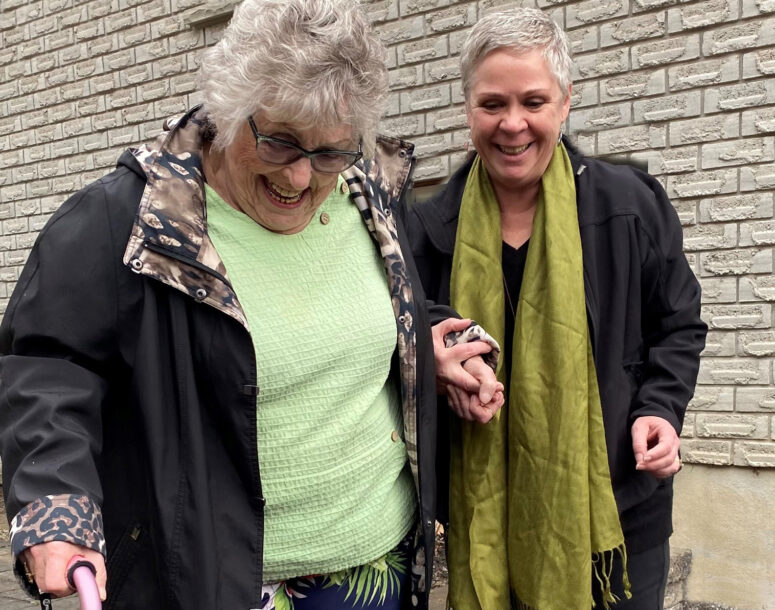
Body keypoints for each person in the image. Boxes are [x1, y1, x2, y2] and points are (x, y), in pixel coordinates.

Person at [0, 0, 503, 608]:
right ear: (227, 109)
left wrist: (434, 347)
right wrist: (58, 507)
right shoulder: (127, 222)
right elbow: (46, 373)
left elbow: (380, 312)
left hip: (380, 574)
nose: (299, 179)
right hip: (214, 587)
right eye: (279, 143)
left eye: (329, 152)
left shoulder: (367, 199)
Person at [407, 7, 707, 610]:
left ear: (564, 103)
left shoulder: (629, 207)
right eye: (492, 104)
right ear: (468, 111)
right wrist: (437, 364)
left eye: (533, 102)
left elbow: (678, 323)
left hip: (614, 516)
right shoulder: (425, 227)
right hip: (485, 516)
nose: (512, 124)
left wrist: (660, 410)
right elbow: (404, 331)